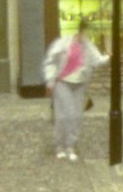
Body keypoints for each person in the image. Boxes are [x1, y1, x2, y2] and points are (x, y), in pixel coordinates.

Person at [43, 18, 103, 160]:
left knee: (75, 115)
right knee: (63, 114)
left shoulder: (88, 46)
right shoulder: (64, 43)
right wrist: (50, 81)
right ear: (80, 30)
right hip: (63, 82)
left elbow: (97, 60)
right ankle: (59, 145)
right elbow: (51, 61)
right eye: (85, 33)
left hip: (79, 83)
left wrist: (110, 57)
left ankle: (70, 145)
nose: (86, 37)